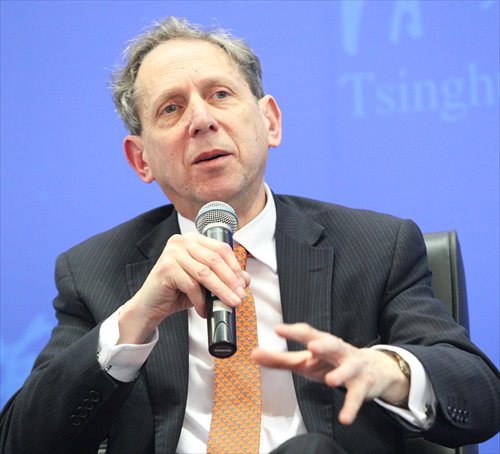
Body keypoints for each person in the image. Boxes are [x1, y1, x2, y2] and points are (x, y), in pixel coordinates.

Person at [1, 16, 499, 454]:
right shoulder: (94, 272)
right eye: (171, 109)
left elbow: (481, 395)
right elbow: (21, 442)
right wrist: (135, 320)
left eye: (220, 94)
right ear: (141, 159)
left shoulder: (375, 246)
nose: (201, 120)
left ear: (270, 122)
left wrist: (386, 370)